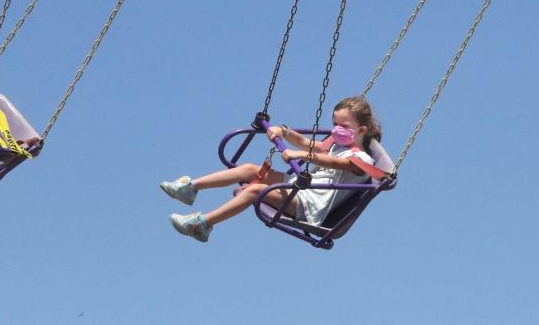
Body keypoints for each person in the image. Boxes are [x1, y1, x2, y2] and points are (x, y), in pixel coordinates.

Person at [160, 95, 382, 242]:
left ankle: (203, 224)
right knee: (250, 169)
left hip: (309, 206)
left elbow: (335, 163)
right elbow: (307, 143)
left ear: (361, 130)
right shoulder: (335, 144)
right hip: (300, 188)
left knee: (255, 190)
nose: (336, 130)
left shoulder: (361, 159)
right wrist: (284, 132)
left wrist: (300, 155)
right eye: (334, 124)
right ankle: (190, 188)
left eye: (343, 126)